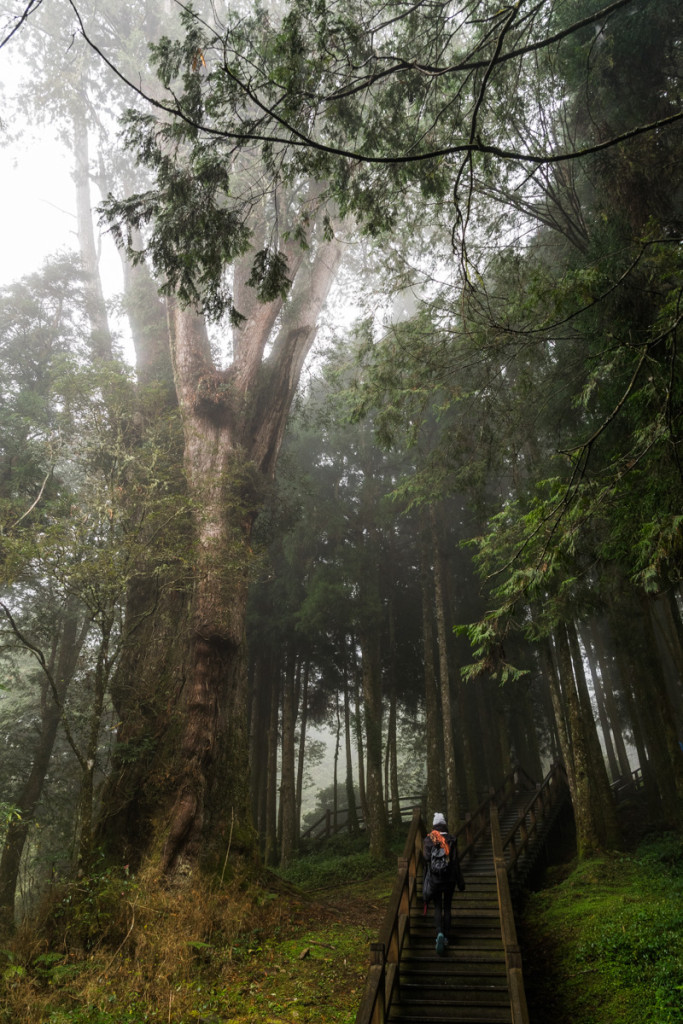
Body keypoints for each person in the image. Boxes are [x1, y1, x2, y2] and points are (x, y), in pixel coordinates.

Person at [422, 811, 465, 954]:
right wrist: (460, 881)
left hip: (435, 879)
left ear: (434, 825)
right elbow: (455, 861)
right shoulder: (452, 839)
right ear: (445, 824)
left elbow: (427, 858)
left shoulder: (428, 840)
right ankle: (446, 936)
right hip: (450, 878)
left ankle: (439, 933)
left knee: (438, 907)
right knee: (447, 907)